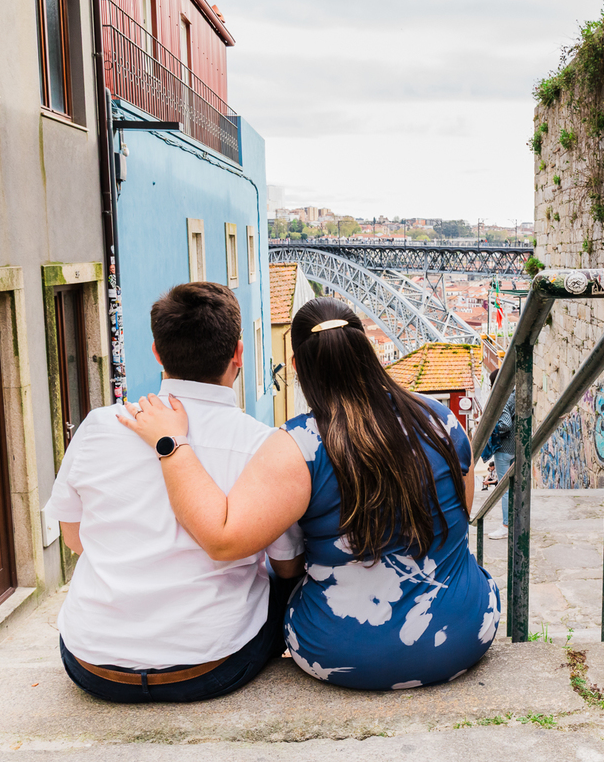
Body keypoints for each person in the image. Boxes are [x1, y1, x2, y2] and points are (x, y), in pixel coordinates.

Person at [120, 297, 501, 691]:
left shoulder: (297, 444)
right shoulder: (441, 421)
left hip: (342, 654)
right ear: (365, 351)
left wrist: (171, 443)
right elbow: (462, 509)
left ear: (298, 367)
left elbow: (223, 539)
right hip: (465, 633)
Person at [44, 282, 304, 703]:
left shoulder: (97, 426)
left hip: (94, 665)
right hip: (213, 665)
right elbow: (287, 564)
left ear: (157, 353)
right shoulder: (264, 444)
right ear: (238, 353)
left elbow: (75, 539)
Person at [481, 369, 516, 541]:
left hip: (504, 449)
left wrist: (490, 427)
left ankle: (505, 526)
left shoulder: (503, 398)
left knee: (504, 489)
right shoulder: (517, 394)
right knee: (515, 486)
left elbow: (504, 425)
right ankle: (515, 522)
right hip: (517, 447)